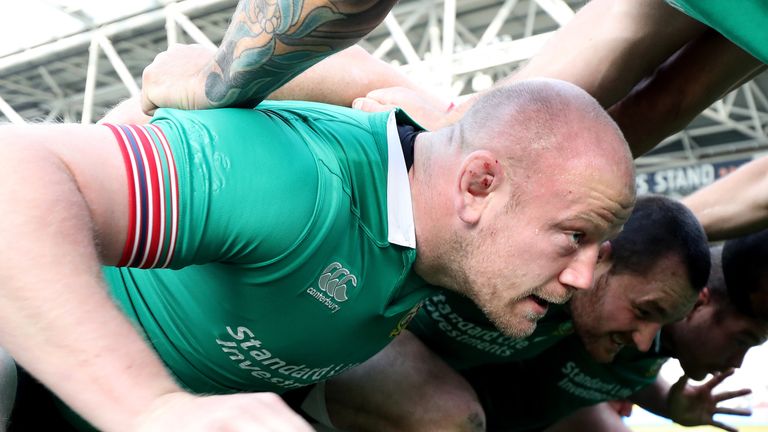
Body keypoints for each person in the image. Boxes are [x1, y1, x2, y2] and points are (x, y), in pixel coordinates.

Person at [0, 74, 635, 431]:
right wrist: (148, 408)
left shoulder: (445, 230)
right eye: (574, 235)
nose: (585, 278)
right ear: (479, 185)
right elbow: (13, 172)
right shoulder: (294, 180)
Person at [299, 194, 710, 432]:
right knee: (452, 418)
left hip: (377, 373)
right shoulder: (519, 256)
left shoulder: (584, 321)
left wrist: (667, 402)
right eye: (644, 311)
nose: (643, 338)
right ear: (601, 260)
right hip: (322, 342)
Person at [475, 230, 768, 432]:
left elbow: (628, 374)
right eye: (741, 340)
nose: (737, 361)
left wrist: (668, 403)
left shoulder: (654, 343)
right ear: (699, 304)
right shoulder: (587, 311)